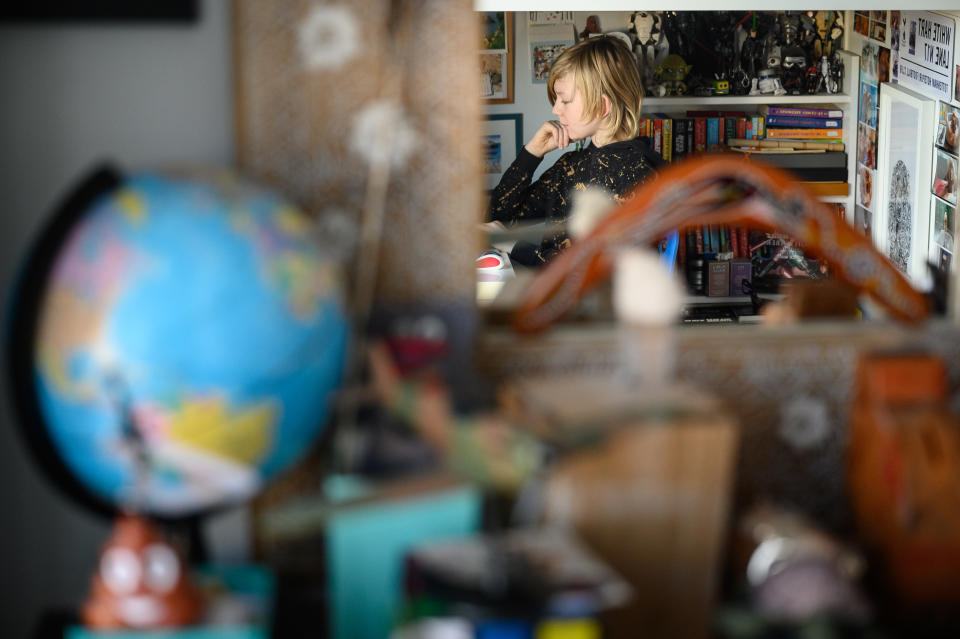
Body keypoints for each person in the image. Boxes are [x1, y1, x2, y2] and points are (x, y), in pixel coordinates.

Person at [489, 36, 665, 267]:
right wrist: (532, 153)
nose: (555, 109)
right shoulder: (570, 165)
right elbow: (501, 217)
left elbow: (590, 270)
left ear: (602, 106)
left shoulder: (636, 174)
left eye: (565, 100)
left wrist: (514, 246)